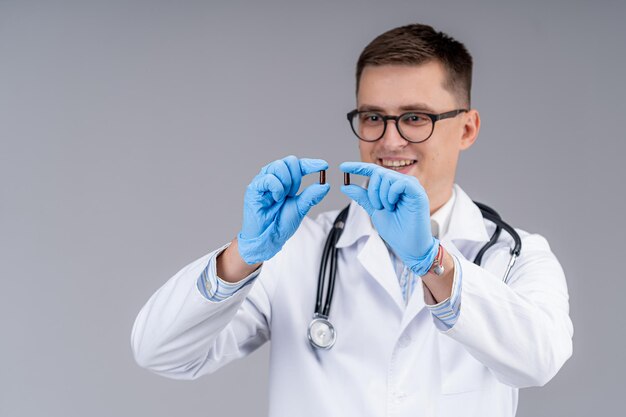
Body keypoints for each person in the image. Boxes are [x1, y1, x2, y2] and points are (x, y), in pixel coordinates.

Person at [131, 24, 573, 416]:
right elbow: (160, 353)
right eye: (373, 117)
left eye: (415, 118)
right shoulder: (297, 250)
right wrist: (241, 255)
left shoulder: (516, 255)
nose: (390, 140)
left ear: (467, 129)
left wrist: (431, 262)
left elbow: (538, 361)